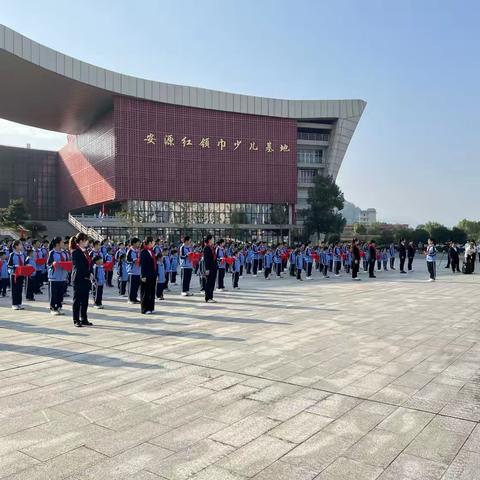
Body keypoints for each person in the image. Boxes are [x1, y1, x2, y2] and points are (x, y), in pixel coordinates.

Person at [70, 233, 93, 327]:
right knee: (77, 300)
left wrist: (90, 273)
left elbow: (89, 264)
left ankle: (84, 318)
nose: (87, 242)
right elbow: (79, 266)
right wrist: (88, 273)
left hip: (86, 278)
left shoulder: (86, 251)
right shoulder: (76, 251)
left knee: (85, 300)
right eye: (86, 240)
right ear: (81, 241)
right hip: (78, 278)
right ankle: (76, 320)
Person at [47, 237, 68, 315]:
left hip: (62, 276)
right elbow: (48, 263)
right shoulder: (52, 253)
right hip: (54, 277)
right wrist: (53, 264)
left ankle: (59, 307)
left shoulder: (64, 253)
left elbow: (66, 263)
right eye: (62, 242)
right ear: (57, 244)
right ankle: (53, 308)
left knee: (60, 294)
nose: (63, 244)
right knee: (54, 294)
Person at [139, 236, 156, 315]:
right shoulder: (143, 252)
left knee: (152, 292)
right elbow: (143, 265)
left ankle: (151, 307)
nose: (154, 243)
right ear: (149, 242)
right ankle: (145, 309)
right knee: (145, 292)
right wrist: (143, 276)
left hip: (152, 274)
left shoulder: (151, 251)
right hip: (146, 275)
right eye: (153, 242)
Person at [8, 240, 26, 310]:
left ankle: (19, 303)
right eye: (20, 244)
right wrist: (15, 266)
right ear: (16, 246)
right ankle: (14, 304)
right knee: (14, 289)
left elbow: (24, 264)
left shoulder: (22, 255)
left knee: (20, 289)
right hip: (14, 275)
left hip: (21, 274)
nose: (22, 246)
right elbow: (9, 265)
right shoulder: (12, 254)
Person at [203, 234, 217, 303]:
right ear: (209, 240)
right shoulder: (206, 248)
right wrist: (207, 269)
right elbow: (206, 260)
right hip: (209, 268)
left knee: (212, 283)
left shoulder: (212, 247)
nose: (213, 240)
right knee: (208, 283)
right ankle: (207, 298)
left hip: (213, 267)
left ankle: (211, 297)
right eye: (212, 239)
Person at [126, 238, 141, 304]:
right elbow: (127, 260)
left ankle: (134, 298)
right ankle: (130, 299)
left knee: (136, 286)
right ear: (134, 243)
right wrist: (134, 260)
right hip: (132, 271)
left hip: (137, 271)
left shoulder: (137, 251)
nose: (139, 244)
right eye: (138, 242)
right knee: (131, 286)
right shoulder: (130, 251)